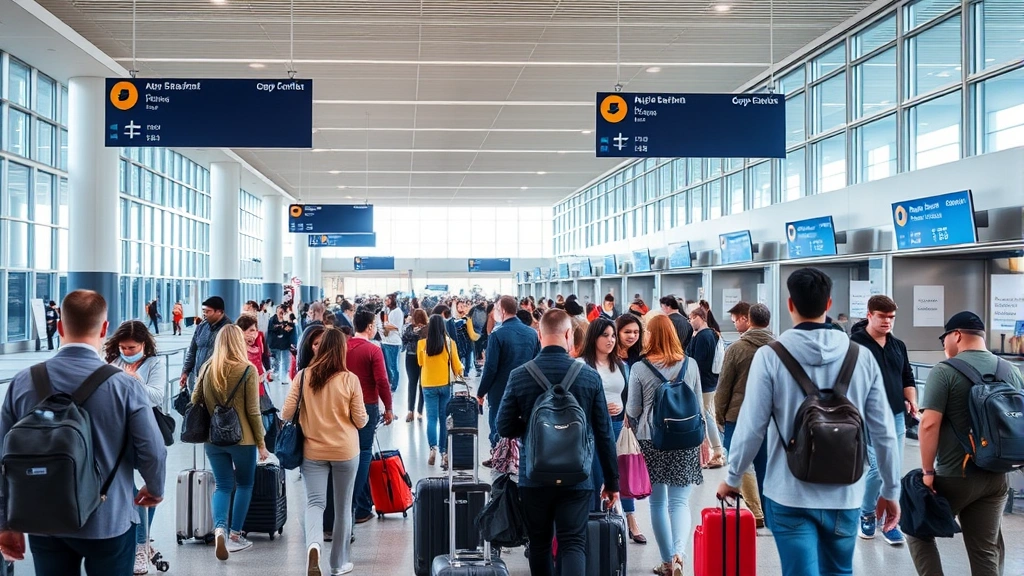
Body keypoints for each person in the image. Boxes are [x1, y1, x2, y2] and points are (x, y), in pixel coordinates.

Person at [716, 267, 901, 576]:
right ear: (828, 305)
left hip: (788, 490)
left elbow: (752, 427)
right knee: (840, 571)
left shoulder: (771, 356)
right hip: (846, 491)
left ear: (790, 304)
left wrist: (733, 477)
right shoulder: (861, 356)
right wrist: (891, 490)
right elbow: (884, 433)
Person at [0, 290, 167, 575]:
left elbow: (4, 457)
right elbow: (152, 450)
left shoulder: (23, 382)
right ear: (104, 328)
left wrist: (5, 522)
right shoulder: (124, 386)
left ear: (60, 327)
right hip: (110, 517)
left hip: (43, 518)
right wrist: (154, 488)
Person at [496, 309, 620, 576]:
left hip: (535, 476)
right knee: (574, 542)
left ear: (539, 335)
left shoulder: (520, 375)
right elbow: (604, 433)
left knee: (539, 544)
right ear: (568, 334)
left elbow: (502, 426)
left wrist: (530, 428)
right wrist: (612, 482)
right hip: (578, 477)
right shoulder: (588, 376)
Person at [907, 311, 1023, 575]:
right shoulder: (1012, 371)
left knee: (916, 527)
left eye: (944, 338)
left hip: (955, 474)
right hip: (997, 477)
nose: (944, 345)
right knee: (984, 550)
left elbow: (929, 423)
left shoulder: (945, 371)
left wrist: (926, 472)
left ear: (956, 335)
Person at [284, 329, 368, 576]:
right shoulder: (349, 379)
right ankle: (338, 563)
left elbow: (286, 413)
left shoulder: (303, 376)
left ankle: (313, 546)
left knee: (315, 503)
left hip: (313, 450)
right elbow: (361, 421)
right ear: (340, 349)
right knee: (342, 507)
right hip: (345, 450)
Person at [626, 315, 703, 576]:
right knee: (680, 503)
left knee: (658, 503)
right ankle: (680, 554)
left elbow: (634, 409)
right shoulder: (689, 364)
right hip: (686, 438)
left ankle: (668, 562)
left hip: (652, 439)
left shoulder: (639, 368)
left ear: (650, 335)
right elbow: (699, 407)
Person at [191, 325, 268, 561]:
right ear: (238, 342)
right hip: (242, 439)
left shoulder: (206, 368)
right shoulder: (247, 370)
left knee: (223, 485)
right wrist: (261, 443)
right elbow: (253, 411)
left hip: (213, 439)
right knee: (244, 484)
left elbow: (195, 399)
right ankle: (235, 536)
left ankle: (219, 529)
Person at [849, 295, 917, 545]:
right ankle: (866, 514)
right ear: (870, 315)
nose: (888, 321)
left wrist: (911, 399)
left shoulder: (897, 345)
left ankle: (889, 522)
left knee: (893, 470)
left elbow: (906, 377)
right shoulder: (856, 344)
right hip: (869, 416)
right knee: (879, 468)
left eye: (892, 317)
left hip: (897, 415)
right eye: (883, 316)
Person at [103, 320, 167, 575]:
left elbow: (156, 396)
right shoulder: (112, 362)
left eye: (132, 347)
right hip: (117, 433)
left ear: (144, 344)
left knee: (148, 489)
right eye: (123, 347)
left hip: (145, 432)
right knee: (127, 489)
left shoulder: (154, 364)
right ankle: (141, 541)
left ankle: (141, 545)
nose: (127, 352)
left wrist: (134, 381)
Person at [580, 318, 646, 544]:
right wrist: (597, 409)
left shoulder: (620, 365)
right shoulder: (581, 365)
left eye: (612, 336)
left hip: (618, 424)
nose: (610, 340)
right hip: (592, 428)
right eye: (605, 336)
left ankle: (628, 519)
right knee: (596, 476)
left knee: (620, 474)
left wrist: (627, 413)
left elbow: (627, 395)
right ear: (594, 337)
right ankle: (593, 524)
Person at [714, 302, 772, 528]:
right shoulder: (779, 348)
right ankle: (769, 515)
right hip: (769, 419)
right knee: (766, 467)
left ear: (749, 320)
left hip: (737, 417)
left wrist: (719, 417)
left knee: (741, 463)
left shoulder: (736, 349)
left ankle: (755, 511)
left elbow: (723, 388)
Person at [478, 295, 542, 461]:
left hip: (500, 389)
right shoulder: (532, 334)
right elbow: (537, 362)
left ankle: (499, 457)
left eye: (498, 309)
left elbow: (490, 368)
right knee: (522, 422)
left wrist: (481, 392)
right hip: (526, 388)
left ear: (503, 310)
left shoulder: (497, 335)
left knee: (498, 423)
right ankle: (520, 457)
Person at [347, 309, 395, 524]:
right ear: (369, 327)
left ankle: (363, 505)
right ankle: (354, 504)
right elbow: (382, 381)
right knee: (364, 452)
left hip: (342, 405)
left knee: (348, 453)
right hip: (367, 405)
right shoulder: (373, 350)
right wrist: (389, 407)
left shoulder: (342, 347)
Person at [418, 314, 462, 469]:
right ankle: (444, 453)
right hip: (444, 384)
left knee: (431, 418)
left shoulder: (422, 344)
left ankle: (433, 449)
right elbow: (457, 365)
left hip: (428, 385)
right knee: (444, 418)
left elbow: (420, 362)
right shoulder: (450, 343)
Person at [685, 307, 725, 468]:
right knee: (708, 415)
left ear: (700, 318)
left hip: (702, 383)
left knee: (707, 416)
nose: (690, 321)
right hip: (710, 381)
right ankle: (714, 451)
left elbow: (696, 362)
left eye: (691, 318)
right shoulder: (713, 334)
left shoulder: (703, 336)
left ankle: (716, 452)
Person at [179, 296, 233, 392]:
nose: (204, 314)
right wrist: (185, 371)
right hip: (197, 378)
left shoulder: (229, 330)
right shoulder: (201, 326)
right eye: (203, 311)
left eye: (208, 311)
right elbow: (192, 350)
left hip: (217, 382)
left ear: (219, 312)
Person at [402, 309, 428, 422]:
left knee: (420, 384)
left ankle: (418, 411)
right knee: (413, 383)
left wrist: (420, 332)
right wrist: (414, 333)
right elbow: (404, 340)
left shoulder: (427, 329)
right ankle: (412, 411)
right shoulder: (409, 328)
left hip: (420, 357)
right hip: (412, 357)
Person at [380, 293, 405, 393]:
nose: (386, 302)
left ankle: (394, 385)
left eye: (388, 300)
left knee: (393, 366)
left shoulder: (397, 312)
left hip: (393, 342)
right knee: (387, 366)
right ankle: (390, 383)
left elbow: (397, 326)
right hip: (386, 341)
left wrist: (386, 326)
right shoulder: (387, 310)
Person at [268, 305, 297, 384]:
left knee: (285, 361)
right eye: (278, 311)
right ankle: (275, 375)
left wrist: (287, 323)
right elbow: (271, 329)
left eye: (282, 312)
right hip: (275, 343)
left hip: (285, 343)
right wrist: (281, 326)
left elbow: (289, 331)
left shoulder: (288, 320)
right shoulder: (272, 319)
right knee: (275, 360)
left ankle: (283, 377)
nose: (280, 314)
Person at [297, 302, 327, 370]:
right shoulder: (323, 329)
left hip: (306, 367)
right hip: (319, 368)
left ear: (313, 312)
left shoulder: (309, 329)